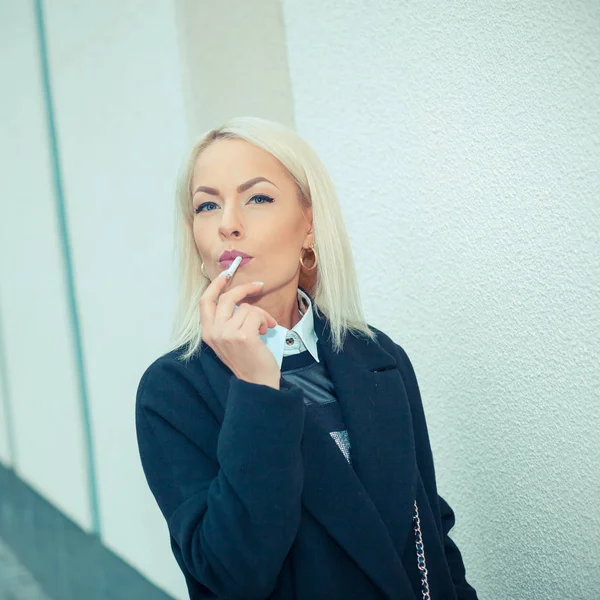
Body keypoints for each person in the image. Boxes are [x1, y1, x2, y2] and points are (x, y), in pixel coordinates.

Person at [135, 116, 479, 600]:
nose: (228, 223)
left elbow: (428, 527)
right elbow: (231, 574)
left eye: (257, 197)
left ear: (310, 226)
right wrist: (256, 389)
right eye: (207, 205)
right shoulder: (173, 389)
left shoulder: (378, 356)